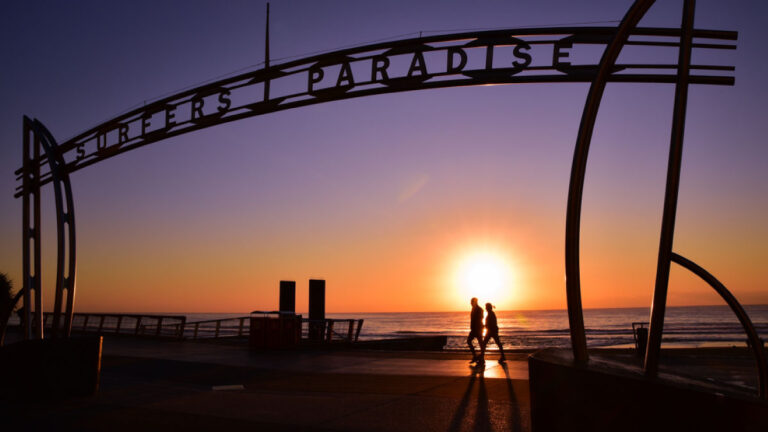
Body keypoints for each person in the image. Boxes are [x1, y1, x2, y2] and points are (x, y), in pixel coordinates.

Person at [467, 297, 485, 364]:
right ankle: (476, 356)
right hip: (474, 328)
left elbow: (480, 318)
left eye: (471, 302)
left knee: (480, 343)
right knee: (471, 341)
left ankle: (481, 358)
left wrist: (477, 328)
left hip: (478, 328)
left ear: (474, 302)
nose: (470, 303)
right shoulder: (474, 309)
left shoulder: (479, 309)